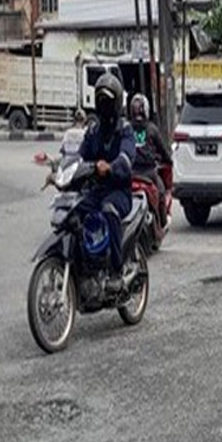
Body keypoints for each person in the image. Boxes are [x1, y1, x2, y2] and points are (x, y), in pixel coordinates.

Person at [78, 74, 136, 292]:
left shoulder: (125, 130)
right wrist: (57, 168)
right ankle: (83, 263)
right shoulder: (93, 130)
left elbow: (126, 158)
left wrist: (111, 167)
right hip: (96, 189)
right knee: (73, 211)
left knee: (108, 210)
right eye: (101, 100)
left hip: (119, 192)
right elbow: (78, 156)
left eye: (108, 101)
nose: (104, 105)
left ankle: (116, 270)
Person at [130, 93, 173, 228]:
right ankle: (162, 223)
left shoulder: (126, 129)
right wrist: (169, 160)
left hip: (129, 172)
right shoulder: (152, 129)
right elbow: (163, 150)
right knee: (161, 192)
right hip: (148, 173)